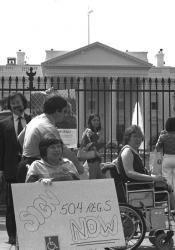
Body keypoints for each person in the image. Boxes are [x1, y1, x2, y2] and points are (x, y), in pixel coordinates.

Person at [17, 95, 83, 183]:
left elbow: (20, 139)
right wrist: (79, 167)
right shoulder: (48, 127)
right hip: (37, 169)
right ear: (57, 111)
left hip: (24, 164)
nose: (65, 115)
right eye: (64, 111)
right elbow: (63, 150)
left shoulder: (36, 119)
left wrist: (29, 151)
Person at [114, 125, 175, 209]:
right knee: (168, 189)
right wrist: (153, 179)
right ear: (128, 137)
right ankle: (172, 215)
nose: (138, 139)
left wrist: (154, 177)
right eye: (135, 136)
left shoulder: (132, 151)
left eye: (140, 137)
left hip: (139, 187)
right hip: (137, 189)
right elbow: (130, 173)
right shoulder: (127, 151)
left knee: (166, 185)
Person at [0, 92, 31, 245]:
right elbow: (1, 148)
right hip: (11, 168)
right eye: (12, 103)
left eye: (18, 102)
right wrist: (1, 169)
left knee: (30, 201)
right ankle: (12, 235)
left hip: (30, 167)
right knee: (11, 203)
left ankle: (30, 233)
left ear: (23, 103)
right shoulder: (3, 124)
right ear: (9, 105)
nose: (15, 105)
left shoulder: (33, 121)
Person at [78, 114, 105, 179]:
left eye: (98, 120)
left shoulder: (96, 132)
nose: (96, 122)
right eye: (94, 120)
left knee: (99, 181)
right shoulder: (88, 132)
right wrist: (98, 144)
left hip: (96, 160)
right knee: (94, 182)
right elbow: (88, 145)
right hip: (91, 161)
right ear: (90, 121)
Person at [156, 117, 175, 195]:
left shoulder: (163, 136)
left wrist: (160, 135)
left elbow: (157, 148)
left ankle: (171, 200)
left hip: (167, 158)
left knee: (168, 182)